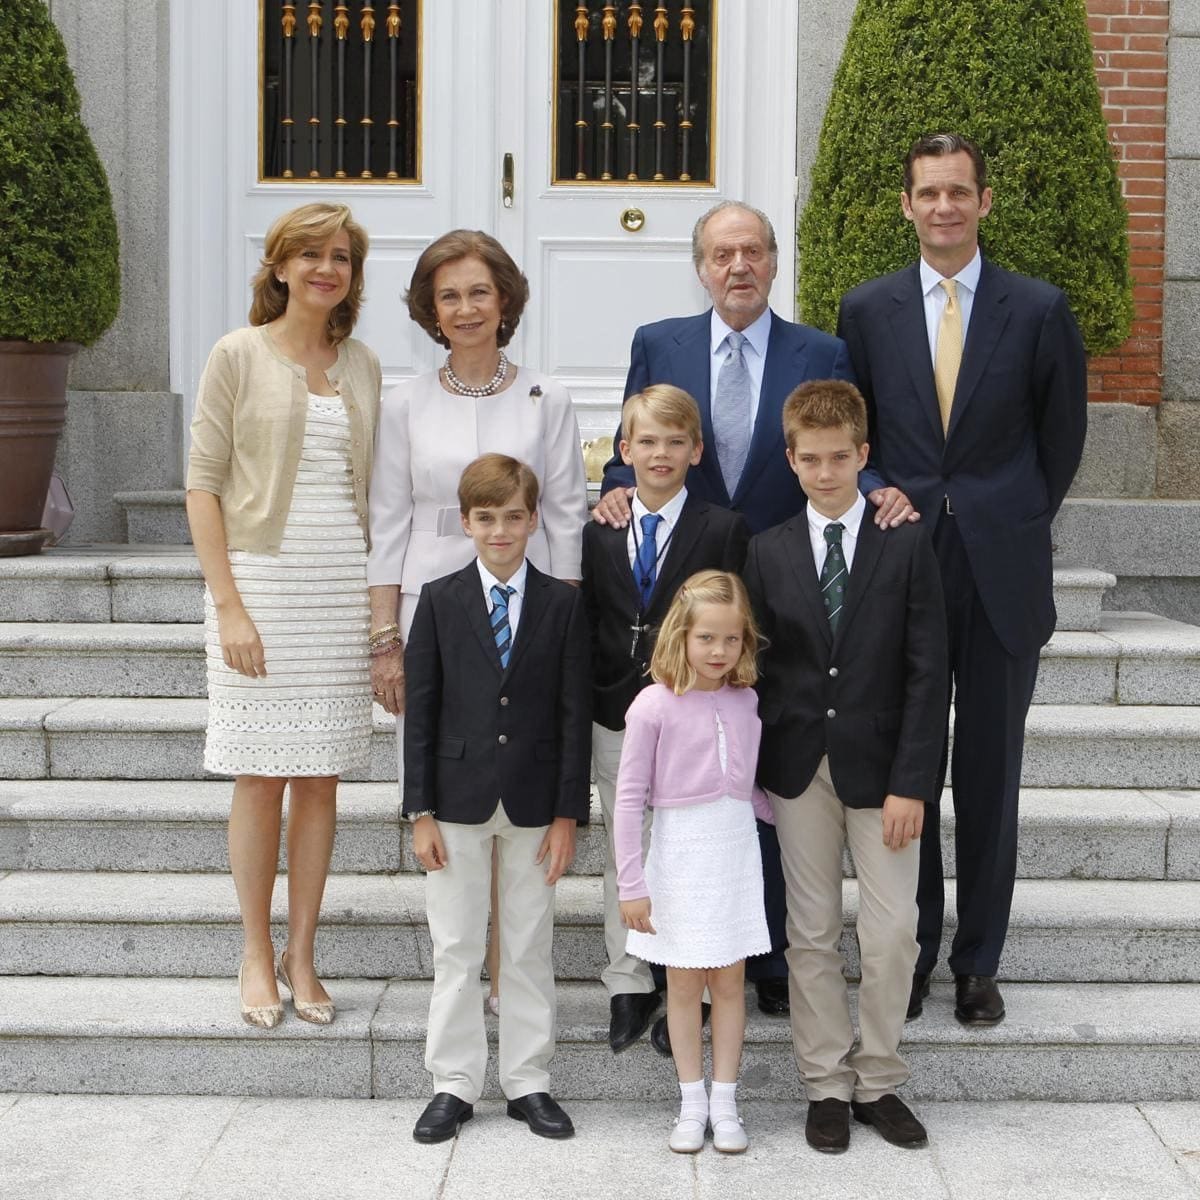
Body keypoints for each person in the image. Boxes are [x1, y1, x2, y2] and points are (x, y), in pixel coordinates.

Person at [595, 200, 912, 1028]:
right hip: (687, 596)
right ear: (701, 266)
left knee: (768, 773)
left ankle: (765, 954)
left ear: (775, 262)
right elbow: (634, 441)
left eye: (754, 252)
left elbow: (834, 445)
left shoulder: (822, 350)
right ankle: (666, 959)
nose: (739, 266)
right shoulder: (657, 343)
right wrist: (614, 501)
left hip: (785, 590)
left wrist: (881, 500)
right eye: (722, 253)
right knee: (693, 787)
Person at [836, 133, 1088, 1026]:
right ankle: (909, 956)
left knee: (989, 771)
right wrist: (878, 491)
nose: (943, 207)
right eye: (927, 193)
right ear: (905, 205)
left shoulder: (1037, 309)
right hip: (905, 567)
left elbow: (1060, 443)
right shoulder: (867, 311)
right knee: (912, 766)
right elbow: (853, 432)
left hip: (999, 572)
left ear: (984, 202)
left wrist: (1007, 513)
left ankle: (979, 961)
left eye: (958, 192)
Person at [367, 229, 588, 1011]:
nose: (465, 308)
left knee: (521, 775)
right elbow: (388, 520)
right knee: (457, 789)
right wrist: (385, 639)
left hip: (529, 614)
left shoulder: (548, 398)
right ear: (431, 308)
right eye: (449, 295)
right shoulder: (402, 401)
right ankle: (465, 961)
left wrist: (562, 629)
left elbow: (564, 515)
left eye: (479, 292)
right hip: (436, 611)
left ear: (506, 301)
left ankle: (511, 962)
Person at [185, 201, 382, 1028]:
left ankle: (304, 953)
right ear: (278, 267)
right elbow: (202, 483)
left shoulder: (363, 364)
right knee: (260, 775)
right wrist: (228, 604)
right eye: (308, 255)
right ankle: (256, 954)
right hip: (262, 588)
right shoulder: (235, 354)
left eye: (338, 256)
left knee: (321, 780)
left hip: (338, 586)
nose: (324, 268)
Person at [744, 379, 947, 1153]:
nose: (826, 472)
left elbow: (931, 672)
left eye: (841, 458)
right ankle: (825, 1084)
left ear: (864, 456)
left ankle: (880, 1077)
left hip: (885, 769)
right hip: (798, 769)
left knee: (894, 930)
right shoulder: (767, 550)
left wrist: (913, 782)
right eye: (811, 459)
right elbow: (756, 666)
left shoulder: (905, 540)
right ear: (791, 460)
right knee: (812, 930)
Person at [404, 454, 591, 1145]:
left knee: (528, 943)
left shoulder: (565, 604)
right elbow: (420, 712)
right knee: (456, 945)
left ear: (535, 520)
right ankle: (453, 1083)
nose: (501, 530)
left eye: (515, 516)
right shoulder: (441, 598)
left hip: (537, 803)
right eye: (487, 518)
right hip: (456, 799)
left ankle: (528, 1080)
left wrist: (570, 812)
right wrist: (419, 809)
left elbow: (573, 714)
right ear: (467, 523)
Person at [582, 385, 749, 1055]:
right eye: (646, 442)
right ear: (625, 451)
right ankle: (628, 981)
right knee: (625, 846)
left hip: (691, 715)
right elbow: (592, 617)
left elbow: (735, 630)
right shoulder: (600, 528)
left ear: (696, 451)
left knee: (691, 847)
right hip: (615, 709)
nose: (660, 453)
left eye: (674, 442)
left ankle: (695, 983)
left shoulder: (722, 528)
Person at [613, 570, 772, 1154]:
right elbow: (629, 799)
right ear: (681, 635)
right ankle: (690, 1101)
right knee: (683, 985)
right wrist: (632, 882)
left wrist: (784, 814)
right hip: (679, 856)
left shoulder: (747, 699)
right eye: (706, 638)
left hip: (734, 853)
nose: (718, 651)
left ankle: (726, 1101)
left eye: (731, 640)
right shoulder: (652, 706)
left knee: (730, 982)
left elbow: (744, 782)